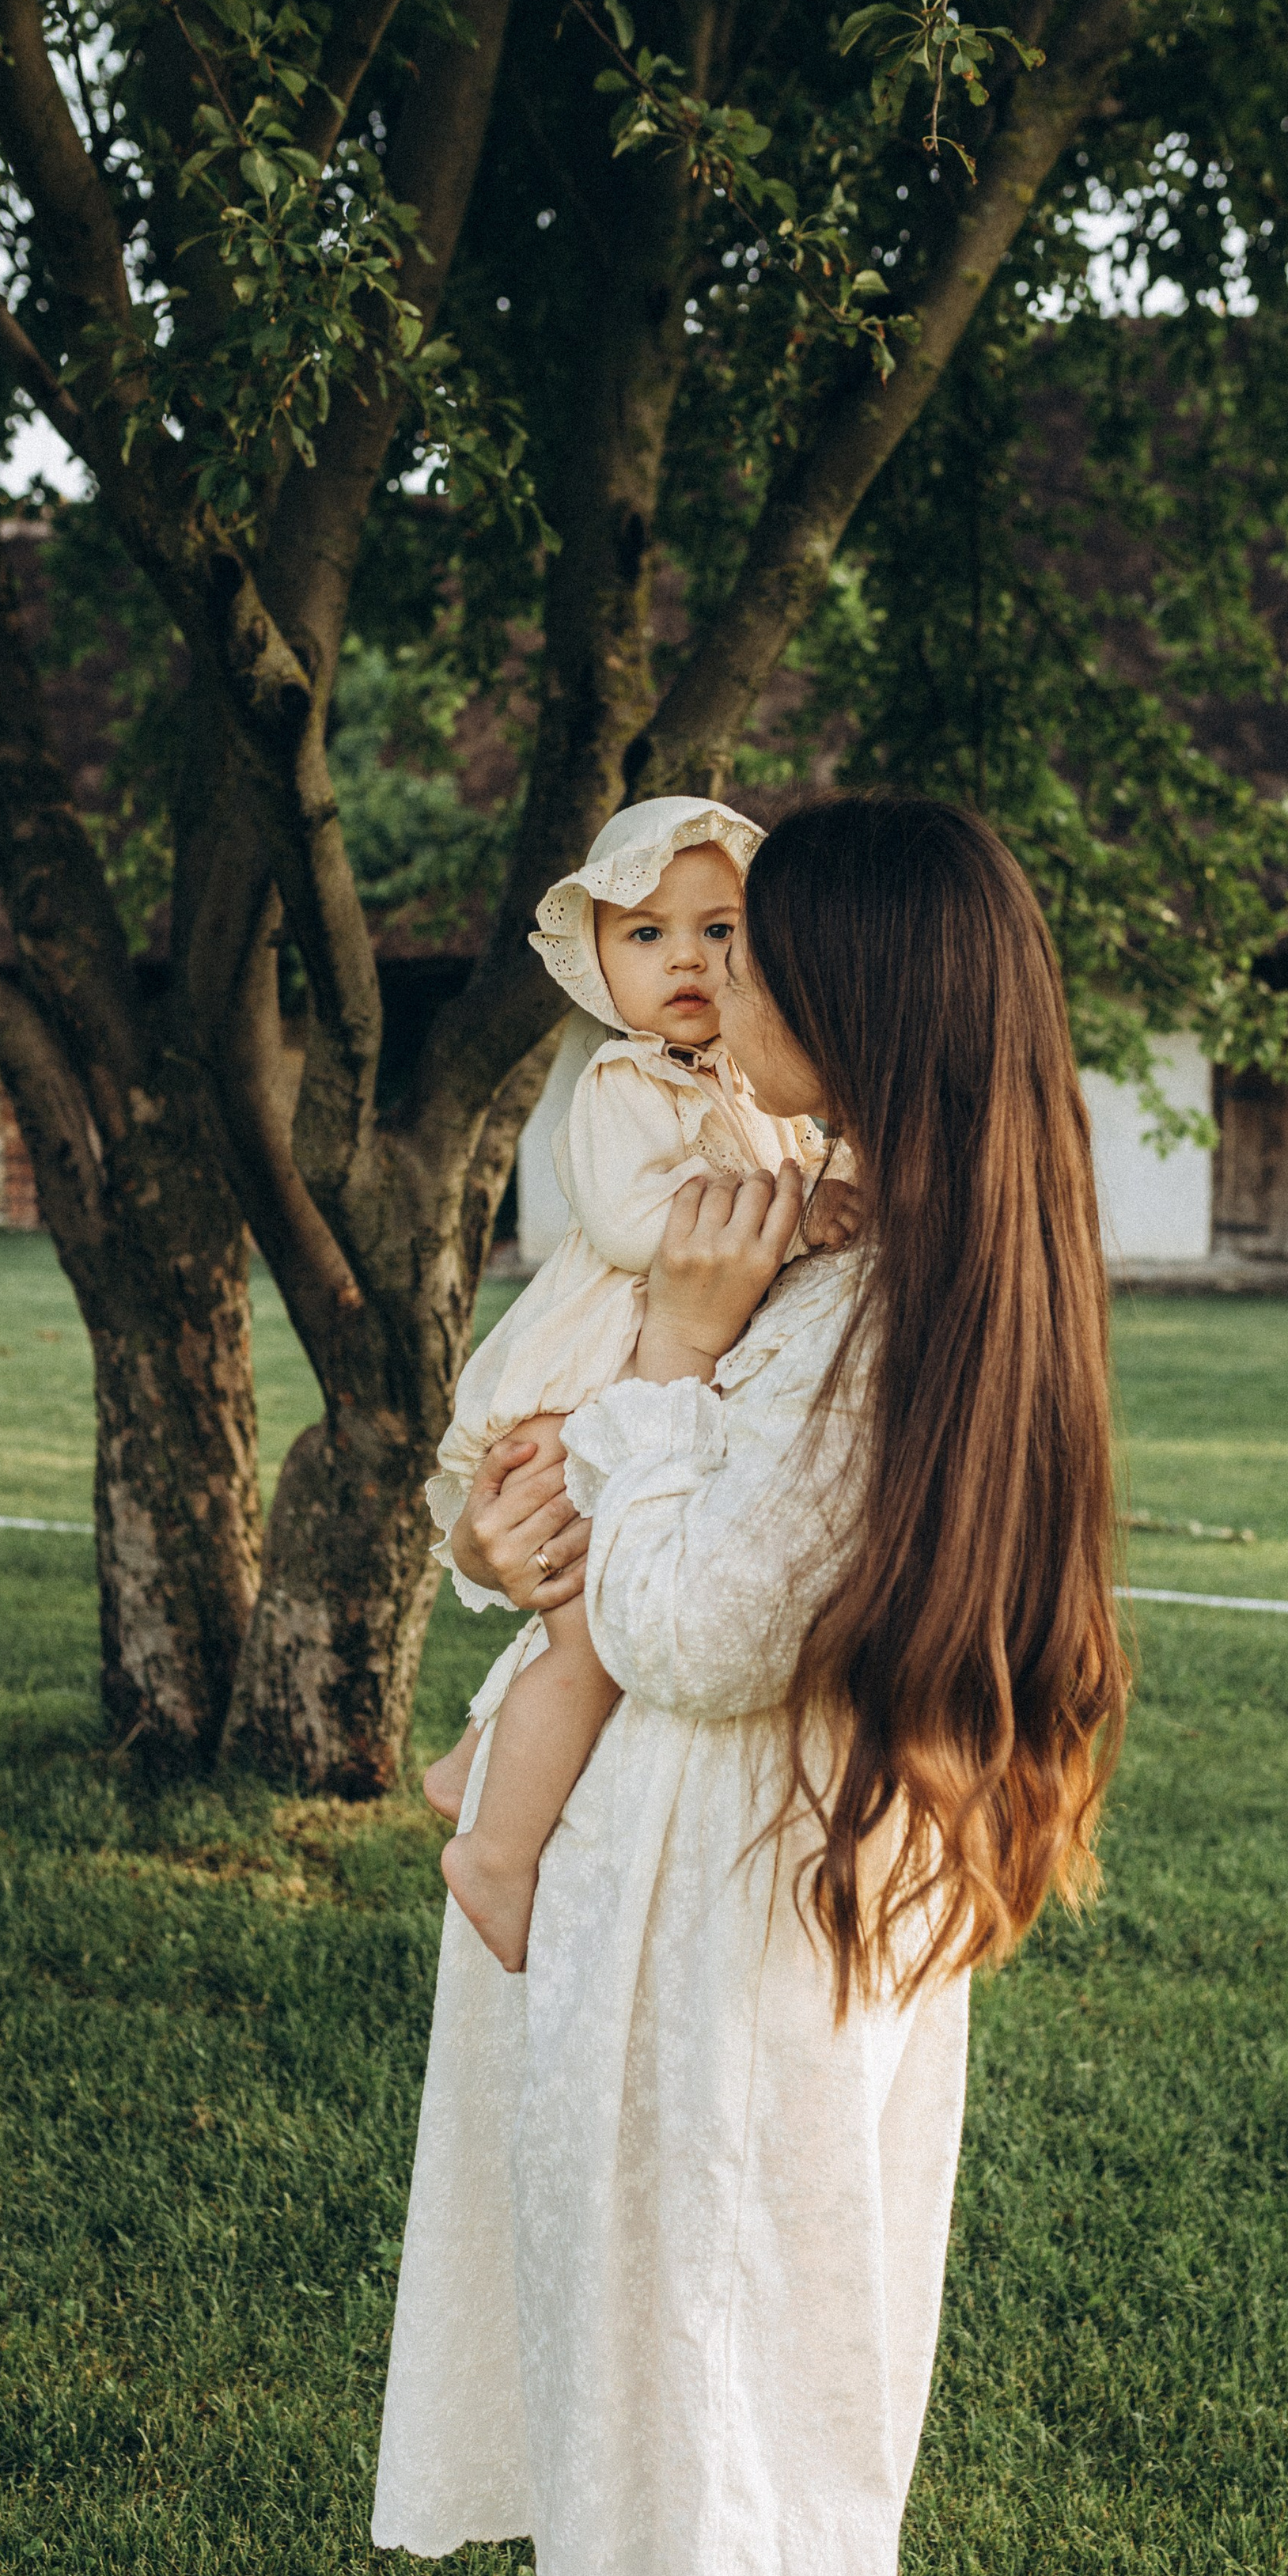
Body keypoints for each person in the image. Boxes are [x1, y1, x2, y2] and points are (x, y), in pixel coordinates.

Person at [373, 795, 1128, 2576]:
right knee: (734, 2416)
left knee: (770, 2439)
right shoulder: (840, 1252)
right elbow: (628, 1554)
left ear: (859, 1009)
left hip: (749, 1958)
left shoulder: (860, 1312)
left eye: (767, 957)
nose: (730, 988)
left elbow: (702, 1626)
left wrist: (676, 1371)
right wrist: (524, 1541)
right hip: (706, 1925)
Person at [422, 792, 841, 1973]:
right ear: (600, 965)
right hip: (593, 1375)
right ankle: (494, 1851)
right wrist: (803, 1216)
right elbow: (625, 1221)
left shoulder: (757, 1095)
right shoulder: (624, 1082)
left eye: (721, 932)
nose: (690, 962)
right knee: (592, 1636)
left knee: (582, 1616)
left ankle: (468, 1767)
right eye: (646, 936)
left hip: (648, 1373)